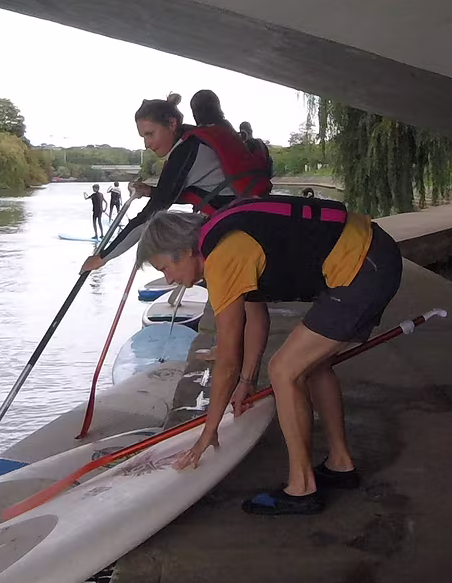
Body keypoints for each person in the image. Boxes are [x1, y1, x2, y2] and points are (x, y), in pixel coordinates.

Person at [141, 196, 402, 514]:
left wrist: (208, 432)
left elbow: (227, 358)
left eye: (165, 268)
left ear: (184, 251)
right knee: (313, 365)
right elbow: (256, 318)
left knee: (284, 370)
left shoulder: (223, 256)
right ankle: (340, 464)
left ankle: (302, 488)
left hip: (363, 266)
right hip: (373, 254)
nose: (168, 279)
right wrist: (246, 382)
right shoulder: (226, 240)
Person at [83, 92, 275, 366]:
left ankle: (231, 360)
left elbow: (148, 218)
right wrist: (152, 191)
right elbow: (199, 190)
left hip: (240, 227)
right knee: (251, 301)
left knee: (235, 296)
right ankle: (240, 362)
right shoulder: (192, 141)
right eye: (143, 137)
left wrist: (103, 256)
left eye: (150, 134)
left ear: (172, 124)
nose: (147, 143)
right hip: (250, 216)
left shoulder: (187, 151)